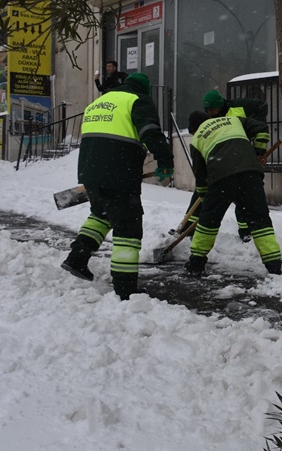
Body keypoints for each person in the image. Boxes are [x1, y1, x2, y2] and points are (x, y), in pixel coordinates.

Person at [61, 72, 174, 300]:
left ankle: (77, 258)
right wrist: (165, 161)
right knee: (128, 229)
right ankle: (125, 287)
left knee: (101, 215)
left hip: (90, 172)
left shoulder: (99, 102)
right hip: (118, 174)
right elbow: (150, 132)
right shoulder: (138, 100)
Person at [183, 110, 281, 277]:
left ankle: (196, 263)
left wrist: (207, 200)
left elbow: (200, 176)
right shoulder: (233, 120)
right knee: (260, 219)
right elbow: (262, 128)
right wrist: (257, 152)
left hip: (221, 178)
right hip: (250, 173)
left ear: (194, 128)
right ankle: (274, 265)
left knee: (208, 222)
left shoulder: (197, 139)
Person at [180, 89, 270, 242]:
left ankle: (247, 231)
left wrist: (258, 151)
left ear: (220, 105)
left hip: (242, 155)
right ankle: (188, 227)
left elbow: (262, 108)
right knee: (204, 192)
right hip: (221, 160)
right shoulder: (210, 120)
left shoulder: (238, 108)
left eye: (213, 109)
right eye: (208, 110)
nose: (211, 112)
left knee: (245, 196)